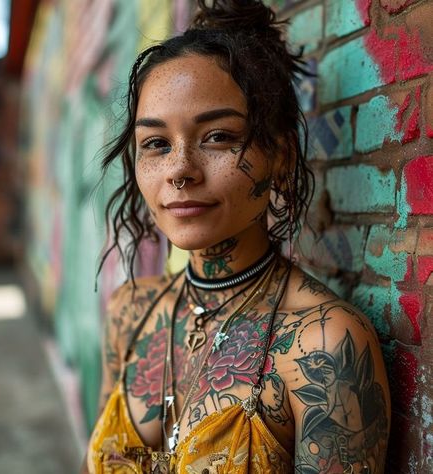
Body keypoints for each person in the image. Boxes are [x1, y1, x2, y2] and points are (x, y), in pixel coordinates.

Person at [82, 1, 390, 472]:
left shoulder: (325, 346)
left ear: (280, 157)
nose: (180, 169)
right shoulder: (131, 314)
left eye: (218, 136)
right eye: (157, 144)